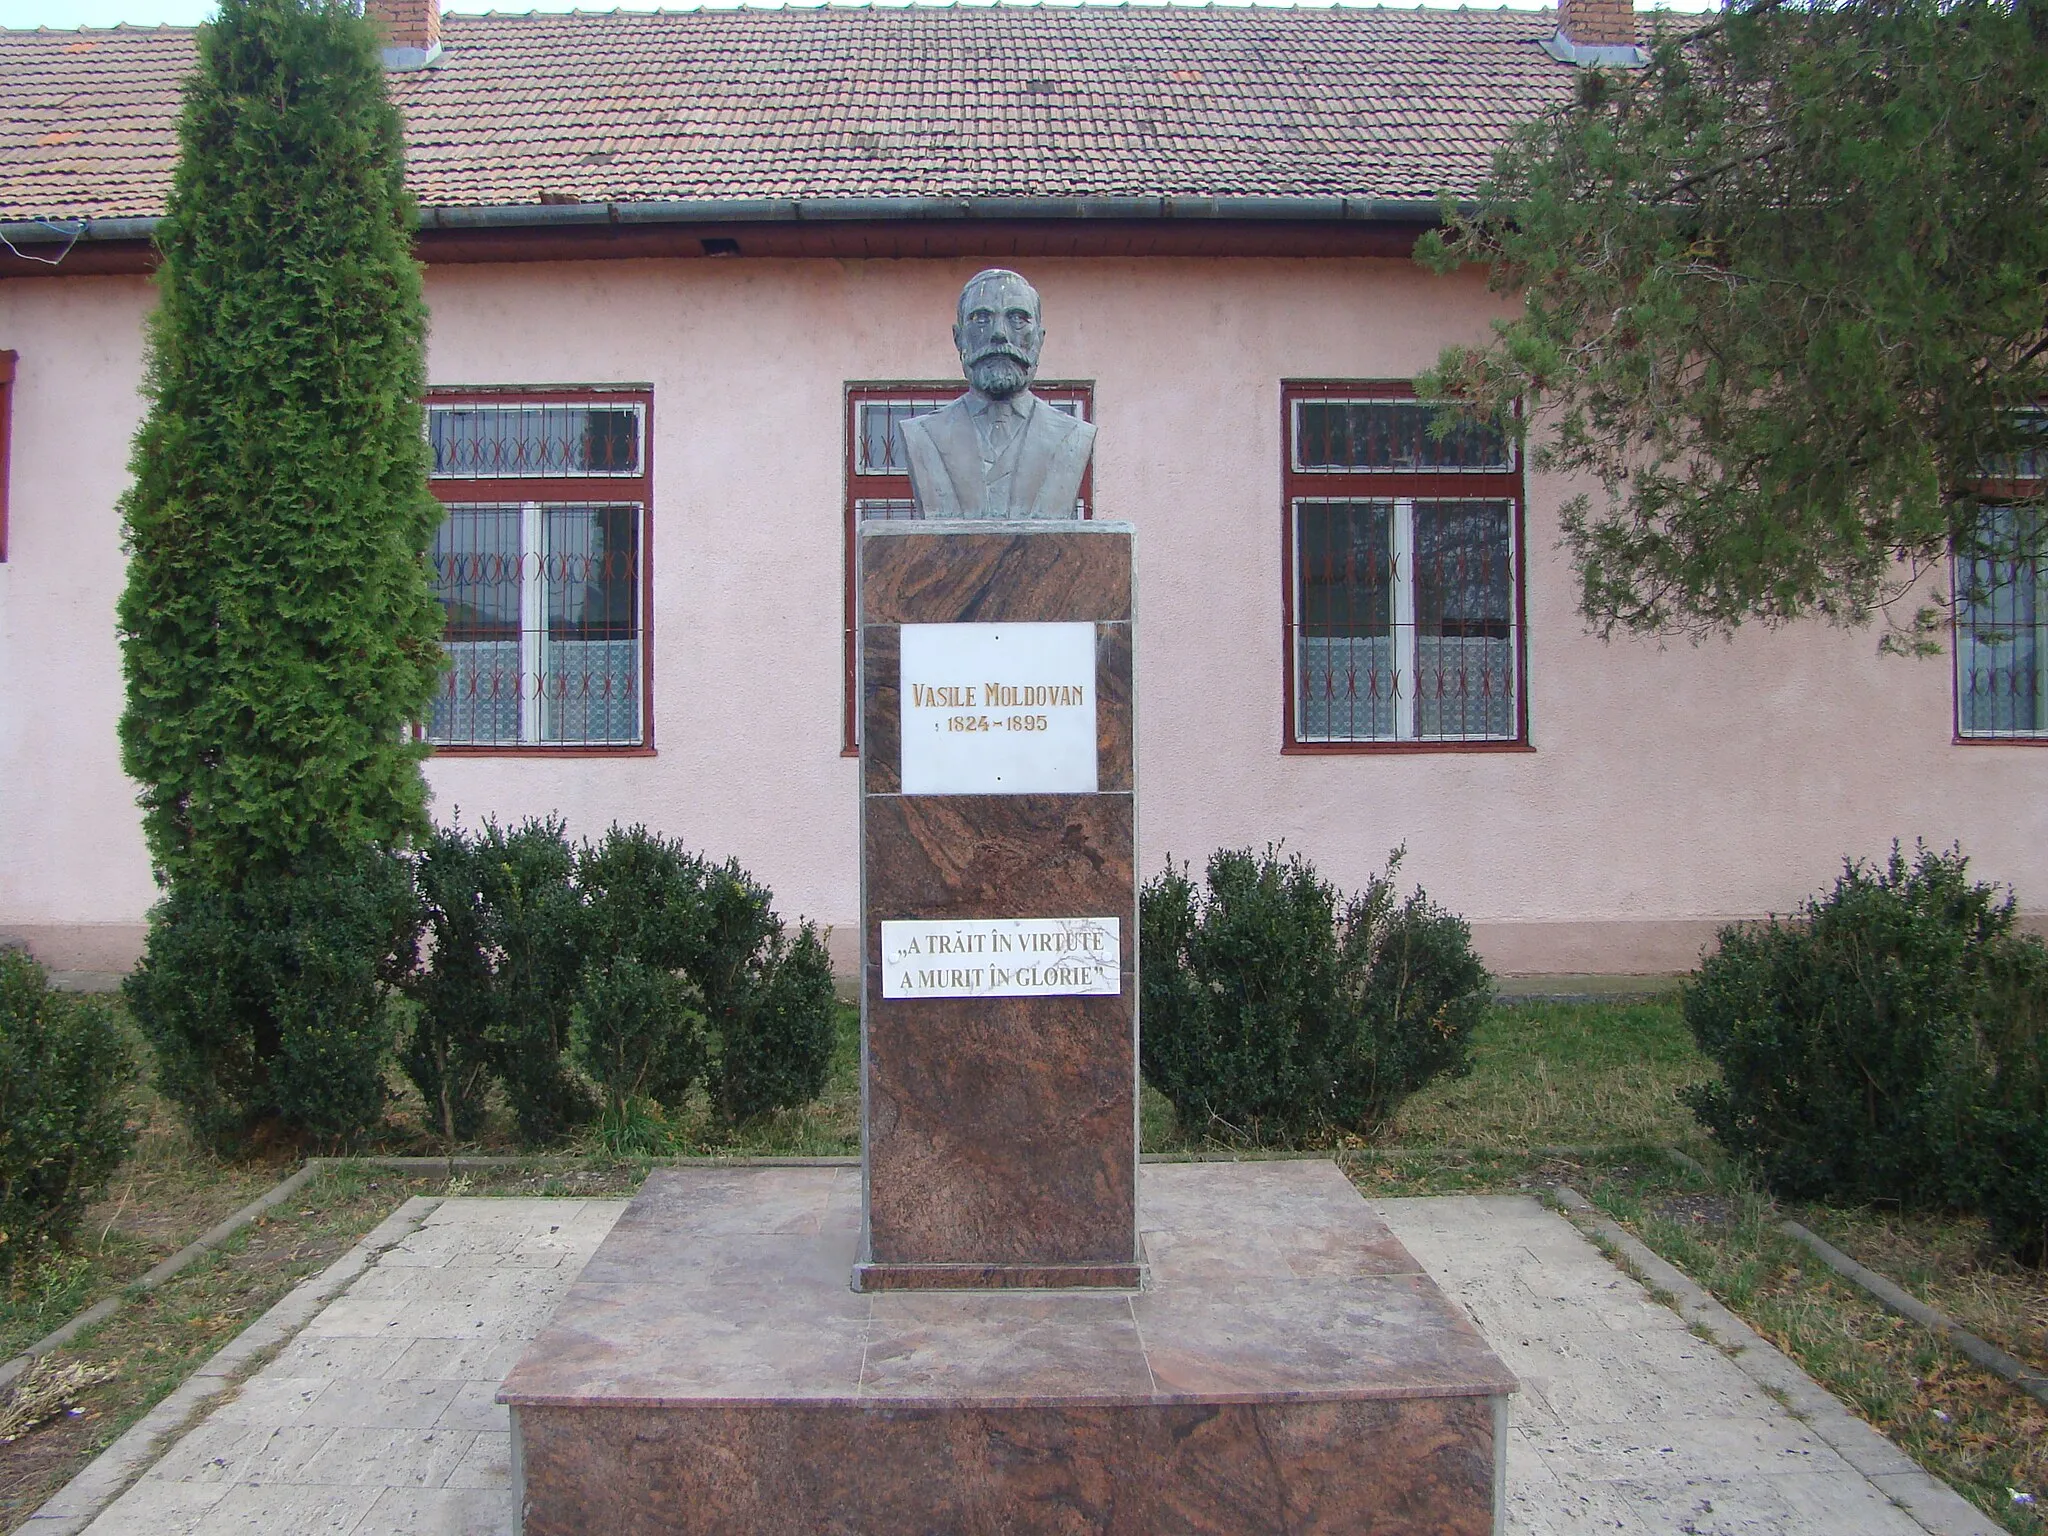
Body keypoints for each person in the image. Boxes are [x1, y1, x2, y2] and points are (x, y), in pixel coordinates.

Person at [901, 269, 1098, 520]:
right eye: (981, 318)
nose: (999, 333)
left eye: (1017, 318)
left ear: (1039, 339)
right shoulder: (922, 435)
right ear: (958, 338)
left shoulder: (1073, 436)